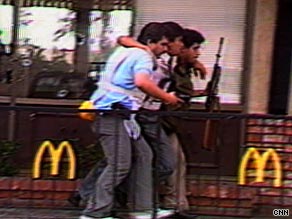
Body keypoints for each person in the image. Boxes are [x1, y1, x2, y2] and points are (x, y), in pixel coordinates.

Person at [79, 22, 182, 219]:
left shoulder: (127, 51)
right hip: (113, 113)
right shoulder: (143, 56)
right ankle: (94, 212)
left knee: (144, 155)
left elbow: (122, 40)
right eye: (163, 45)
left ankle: (142, 208)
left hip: (121, 114)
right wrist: (167, 97)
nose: (165, 50)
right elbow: (142, 82)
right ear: (151, 42)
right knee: (119, 165)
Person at [160, 28, 208, 214]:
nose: (198, 53)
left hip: (169, 123)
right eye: (194, 48)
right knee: (171, 163)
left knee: (177, 162)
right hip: (158, 122)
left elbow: (183, 93)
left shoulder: (182, 68)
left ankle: (177, 204)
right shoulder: (167, 66)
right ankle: (173, 205)